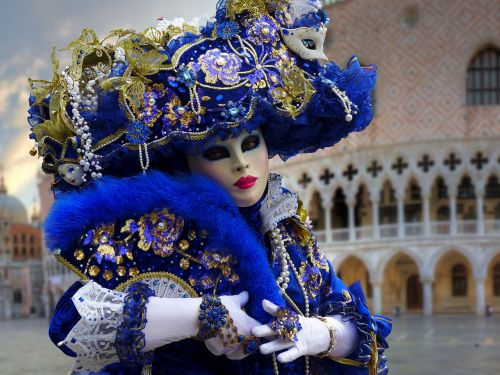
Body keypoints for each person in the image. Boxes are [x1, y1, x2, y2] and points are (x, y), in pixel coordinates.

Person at [28, 1, 391, 374]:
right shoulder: (164, 232)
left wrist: (320, 333)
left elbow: (359, 328)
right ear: (189, 161)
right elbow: (72, 323)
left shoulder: (287, 229)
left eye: (250, 144)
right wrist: (199, 316)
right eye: (218, 152)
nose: (240, 163)